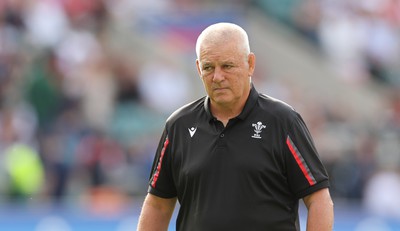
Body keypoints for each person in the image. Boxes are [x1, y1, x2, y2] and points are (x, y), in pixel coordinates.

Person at [137, 22, 334, 231]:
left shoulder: (283, 121)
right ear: (198, 69)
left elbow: (319, 200)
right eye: (208, 67)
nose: (218, 77)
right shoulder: (178, 125)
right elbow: (158, 205)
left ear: (250, 64)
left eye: (227, 66)